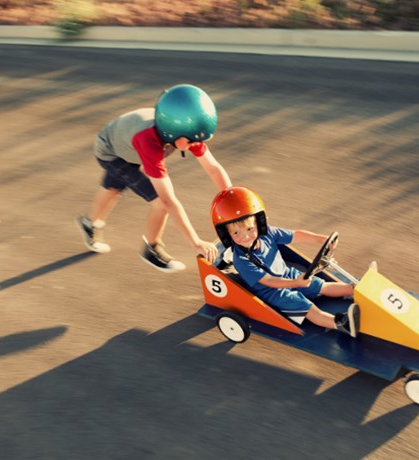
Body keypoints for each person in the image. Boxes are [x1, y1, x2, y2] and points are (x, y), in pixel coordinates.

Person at [76, 84, 232, 273]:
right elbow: (168, 200)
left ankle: (89, 224)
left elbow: (214, 169)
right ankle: (152, 249)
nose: (196, 145)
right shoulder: (149, 141)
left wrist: (231, 200)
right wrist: (196, 242)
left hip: (124, 144)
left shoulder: (181, 130)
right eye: (191, 141)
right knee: (160, 204)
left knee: (113, 187)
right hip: (111, 152)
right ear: (172, 132)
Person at [211, 186, 370, 337]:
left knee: (321, 285)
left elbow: (297, 235)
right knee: (307, 308)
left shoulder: (268, 233)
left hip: (288, 274)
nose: (245, 236)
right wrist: (295, 283)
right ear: (226, 235)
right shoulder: (242, 260)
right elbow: (269, 281)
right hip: (273, 292)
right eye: (236, 233)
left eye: (249, 229)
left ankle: (355, 290)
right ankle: (341, 324)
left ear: (259, 223)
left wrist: (321, 240)